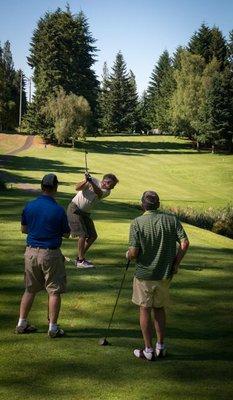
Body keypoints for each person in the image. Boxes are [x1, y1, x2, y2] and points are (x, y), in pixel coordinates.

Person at [126, 190, 189, 361]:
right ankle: (160, 346)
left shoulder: (137, 222)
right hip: (165, 274)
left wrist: (128, 255)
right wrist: (176, 263)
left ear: (142, 205)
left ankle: (148, 349)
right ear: (158, 205)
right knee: (159, 309)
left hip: (144, 275)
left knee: (144, 309)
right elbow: (184, 243)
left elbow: (134, 252)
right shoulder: (171, 219)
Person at [15, 174, 70, 338]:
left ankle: (22, 323)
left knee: (30, 289)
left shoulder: (30, 206)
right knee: (54, 291)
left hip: (30, 252)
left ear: (41, 187)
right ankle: (53, 328)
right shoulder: (58, 209)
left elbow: (24, 229)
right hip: (50, 253)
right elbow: (66, 233)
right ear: (56, 188)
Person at [67, 172, 119, 268]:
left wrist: (91, 182)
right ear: (104, 181)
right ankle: (81, 261)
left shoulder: (107, 191)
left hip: (85, 213)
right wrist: (86, 181)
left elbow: (98, 193)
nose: (112, 187)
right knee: (82, 235)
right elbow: (77, 188)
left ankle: (79, 258)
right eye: (111, 185)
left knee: (93, 236)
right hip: (74, 209)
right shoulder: (93, 180)